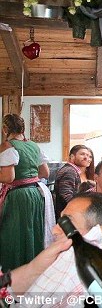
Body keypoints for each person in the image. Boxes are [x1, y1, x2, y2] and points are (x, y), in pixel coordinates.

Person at [0, 113, 53, 270]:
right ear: (23, 128)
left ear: (5, 129)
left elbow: (9, 177)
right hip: (36, 194)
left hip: (18, 196)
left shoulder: (7, 146)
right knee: (33, 231)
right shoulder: (33, 146)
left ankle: (14, 274)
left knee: (13, 233)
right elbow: (44, 173)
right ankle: (33, 270)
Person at [54, 144, 91, 218]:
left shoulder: (72, 170)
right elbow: (66, 196)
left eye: (87, 155)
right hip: (67, 217)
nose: (86, 157)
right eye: (82, 154)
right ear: (72, 157)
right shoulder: (69, 171)